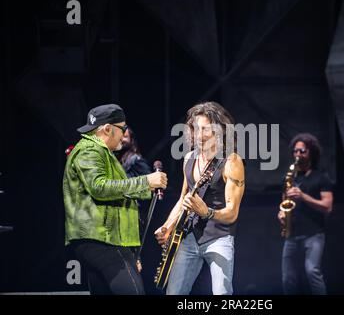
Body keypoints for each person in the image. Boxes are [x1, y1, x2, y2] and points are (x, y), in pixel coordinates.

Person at [63, 104, 167, 295]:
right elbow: (100, 188)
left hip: (106, 239)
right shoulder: (90, 151)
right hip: (103, 240)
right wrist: (146, 182)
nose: (125, 133)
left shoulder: (102, 153)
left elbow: (116, 190)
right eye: (123, 128)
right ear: (107, 129)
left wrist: (148, 187)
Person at [154, 101, 245, 295]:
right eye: (195, 129)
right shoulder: (189, 158)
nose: (199, 135)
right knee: (174, 293)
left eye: (205, 129)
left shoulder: (232, 161)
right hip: (189, 236)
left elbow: (232, 213)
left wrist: (207, 212)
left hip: (219, 237)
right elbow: (184, 199)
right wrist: (167, 226)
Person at [277, 133, 333, 295]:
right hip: (292, 233)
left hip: (314, 233)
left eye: (302, 151)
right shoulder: (289, 177)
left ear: (311, 153)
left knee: (312, 271)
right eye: (295, 151)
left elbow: (327, 207)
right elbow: (284, 201)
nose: (298, 155)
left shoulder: (321, 177)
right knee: (288, 277)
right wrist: (281, 213)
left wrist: (303, 196)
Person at [115, 126, 152, 273]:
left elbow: (151, 183)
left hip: (134, 216)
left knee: (133, 258)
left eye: (125, 137)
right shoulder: (119, 160)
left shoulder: (136, 160)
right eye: (120, 136)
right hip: (122, 216)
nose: (122, 140)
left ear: (132, 140)